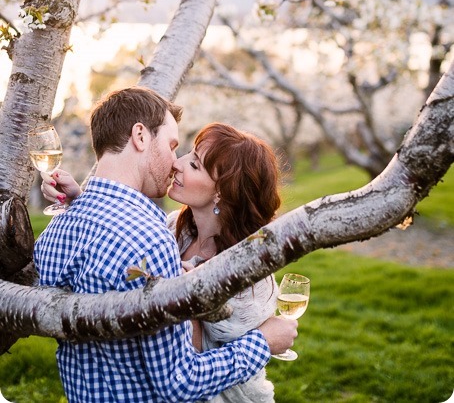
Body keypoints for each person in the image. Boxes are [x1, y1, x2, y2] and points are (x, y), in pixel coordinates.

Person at [34, 87, 297, 403]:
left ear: (222, 193)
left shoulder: (56, 231)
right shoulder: (159, 239)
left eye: (193, 162)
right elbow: (179, 382)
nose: (177, 162)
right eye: (174, 146)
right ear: (140, 137)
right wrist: (264, 343)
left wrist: (84, 204)